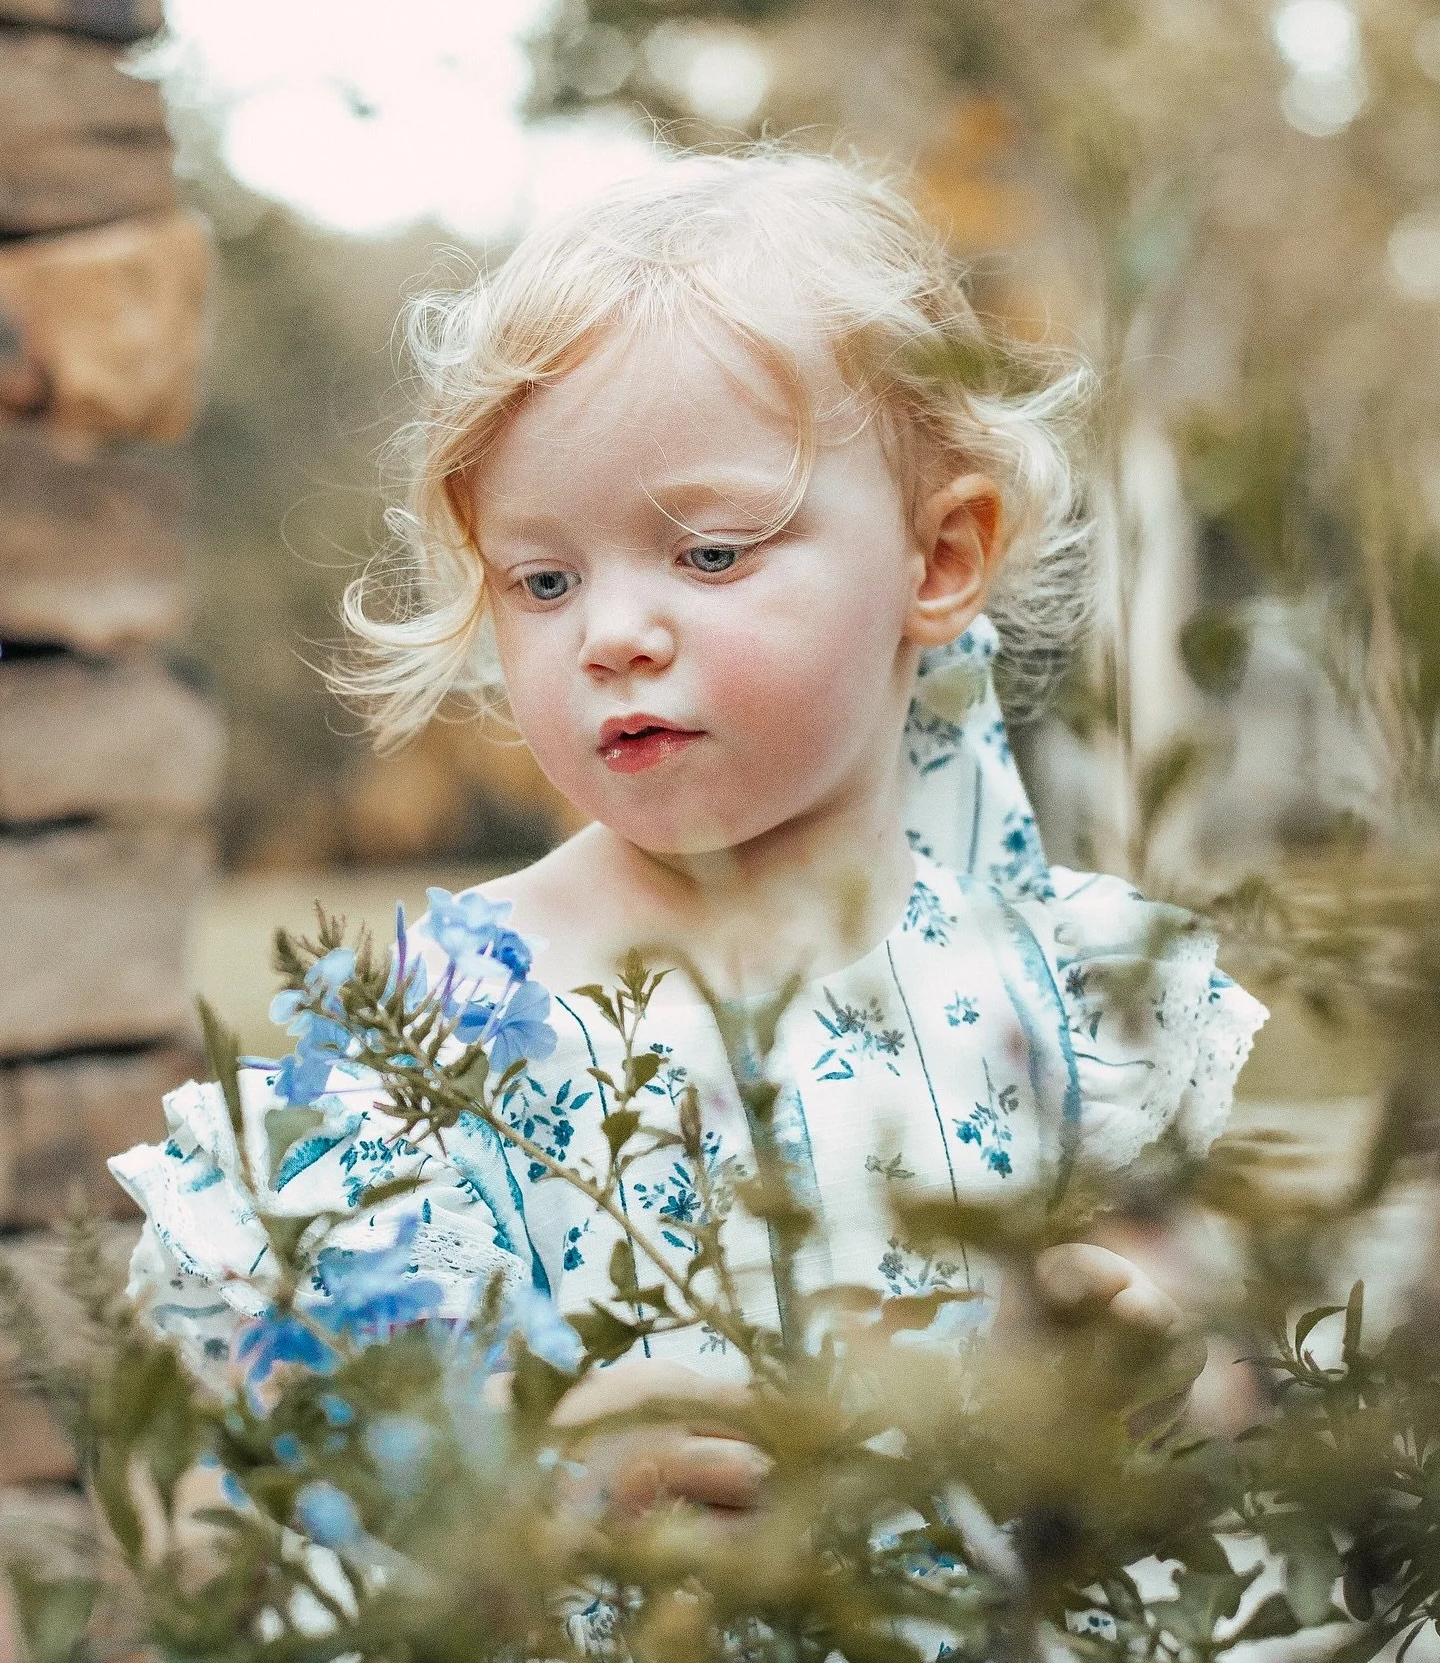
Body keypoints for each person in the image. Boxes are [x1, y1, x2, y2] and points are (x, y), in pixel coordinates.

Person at [111, 146, 1266, 1516]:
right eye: (543, 579)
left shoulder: (1073, 990)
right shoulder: (444, 1032)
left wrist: (1160, 1379)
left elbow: (1231, 1388)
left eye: (710, 553)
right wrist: (555, 1459)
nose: (612, 634)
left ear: (938, 558)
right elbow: (265, 1449)